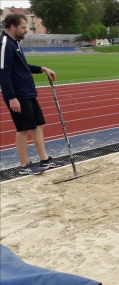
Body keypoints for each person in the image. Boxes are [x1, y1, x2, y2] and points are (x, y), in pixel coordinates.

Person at [0, 13, 66, 175]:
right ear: (12, 27)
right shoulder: (5, 44)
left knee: (38, 125)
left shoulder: (15, 43)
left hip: (28, 93)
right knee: (23, 129)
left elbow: (22, 66)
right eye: (23, 27)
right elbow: (3, 72)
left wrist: (41, 68)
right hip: (18, 95)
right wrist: (11, 97)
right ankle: (24, 165)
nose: (26, 31)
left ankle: (44, 159)